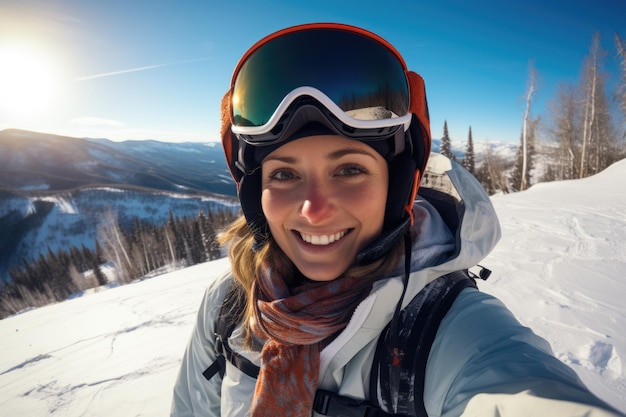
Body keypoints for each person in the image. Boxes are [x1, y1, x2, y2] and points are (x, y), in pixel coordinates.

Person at [170, 23, 623, 417]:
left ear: (397, 185)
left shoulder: (447, 331)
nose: (312, 208)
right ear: (254, 193)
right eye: (284, 174)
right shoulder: (229, 306)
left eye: (349, 170)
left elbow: (520, 390)